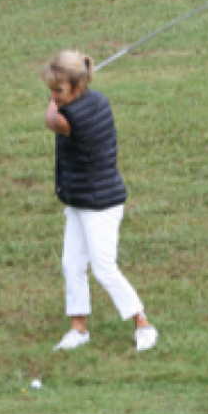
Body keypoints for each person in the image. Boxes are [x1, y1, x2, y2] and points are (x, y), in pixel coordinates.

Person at [41, 49, 159, 351]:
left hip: (100, 204)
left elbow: (50, 119)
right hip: (81, 199)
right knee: (72, 264)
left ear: (78, 86)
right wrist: (62, 88)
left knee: (104, 268)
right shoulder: (96, 99)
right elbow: (60, 104)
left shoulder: (71, 117)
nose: (53, 96)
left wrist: (53, 101)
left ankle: (143, 324)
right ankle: (78, 329)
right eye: (51, 90)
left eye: (58, 90)